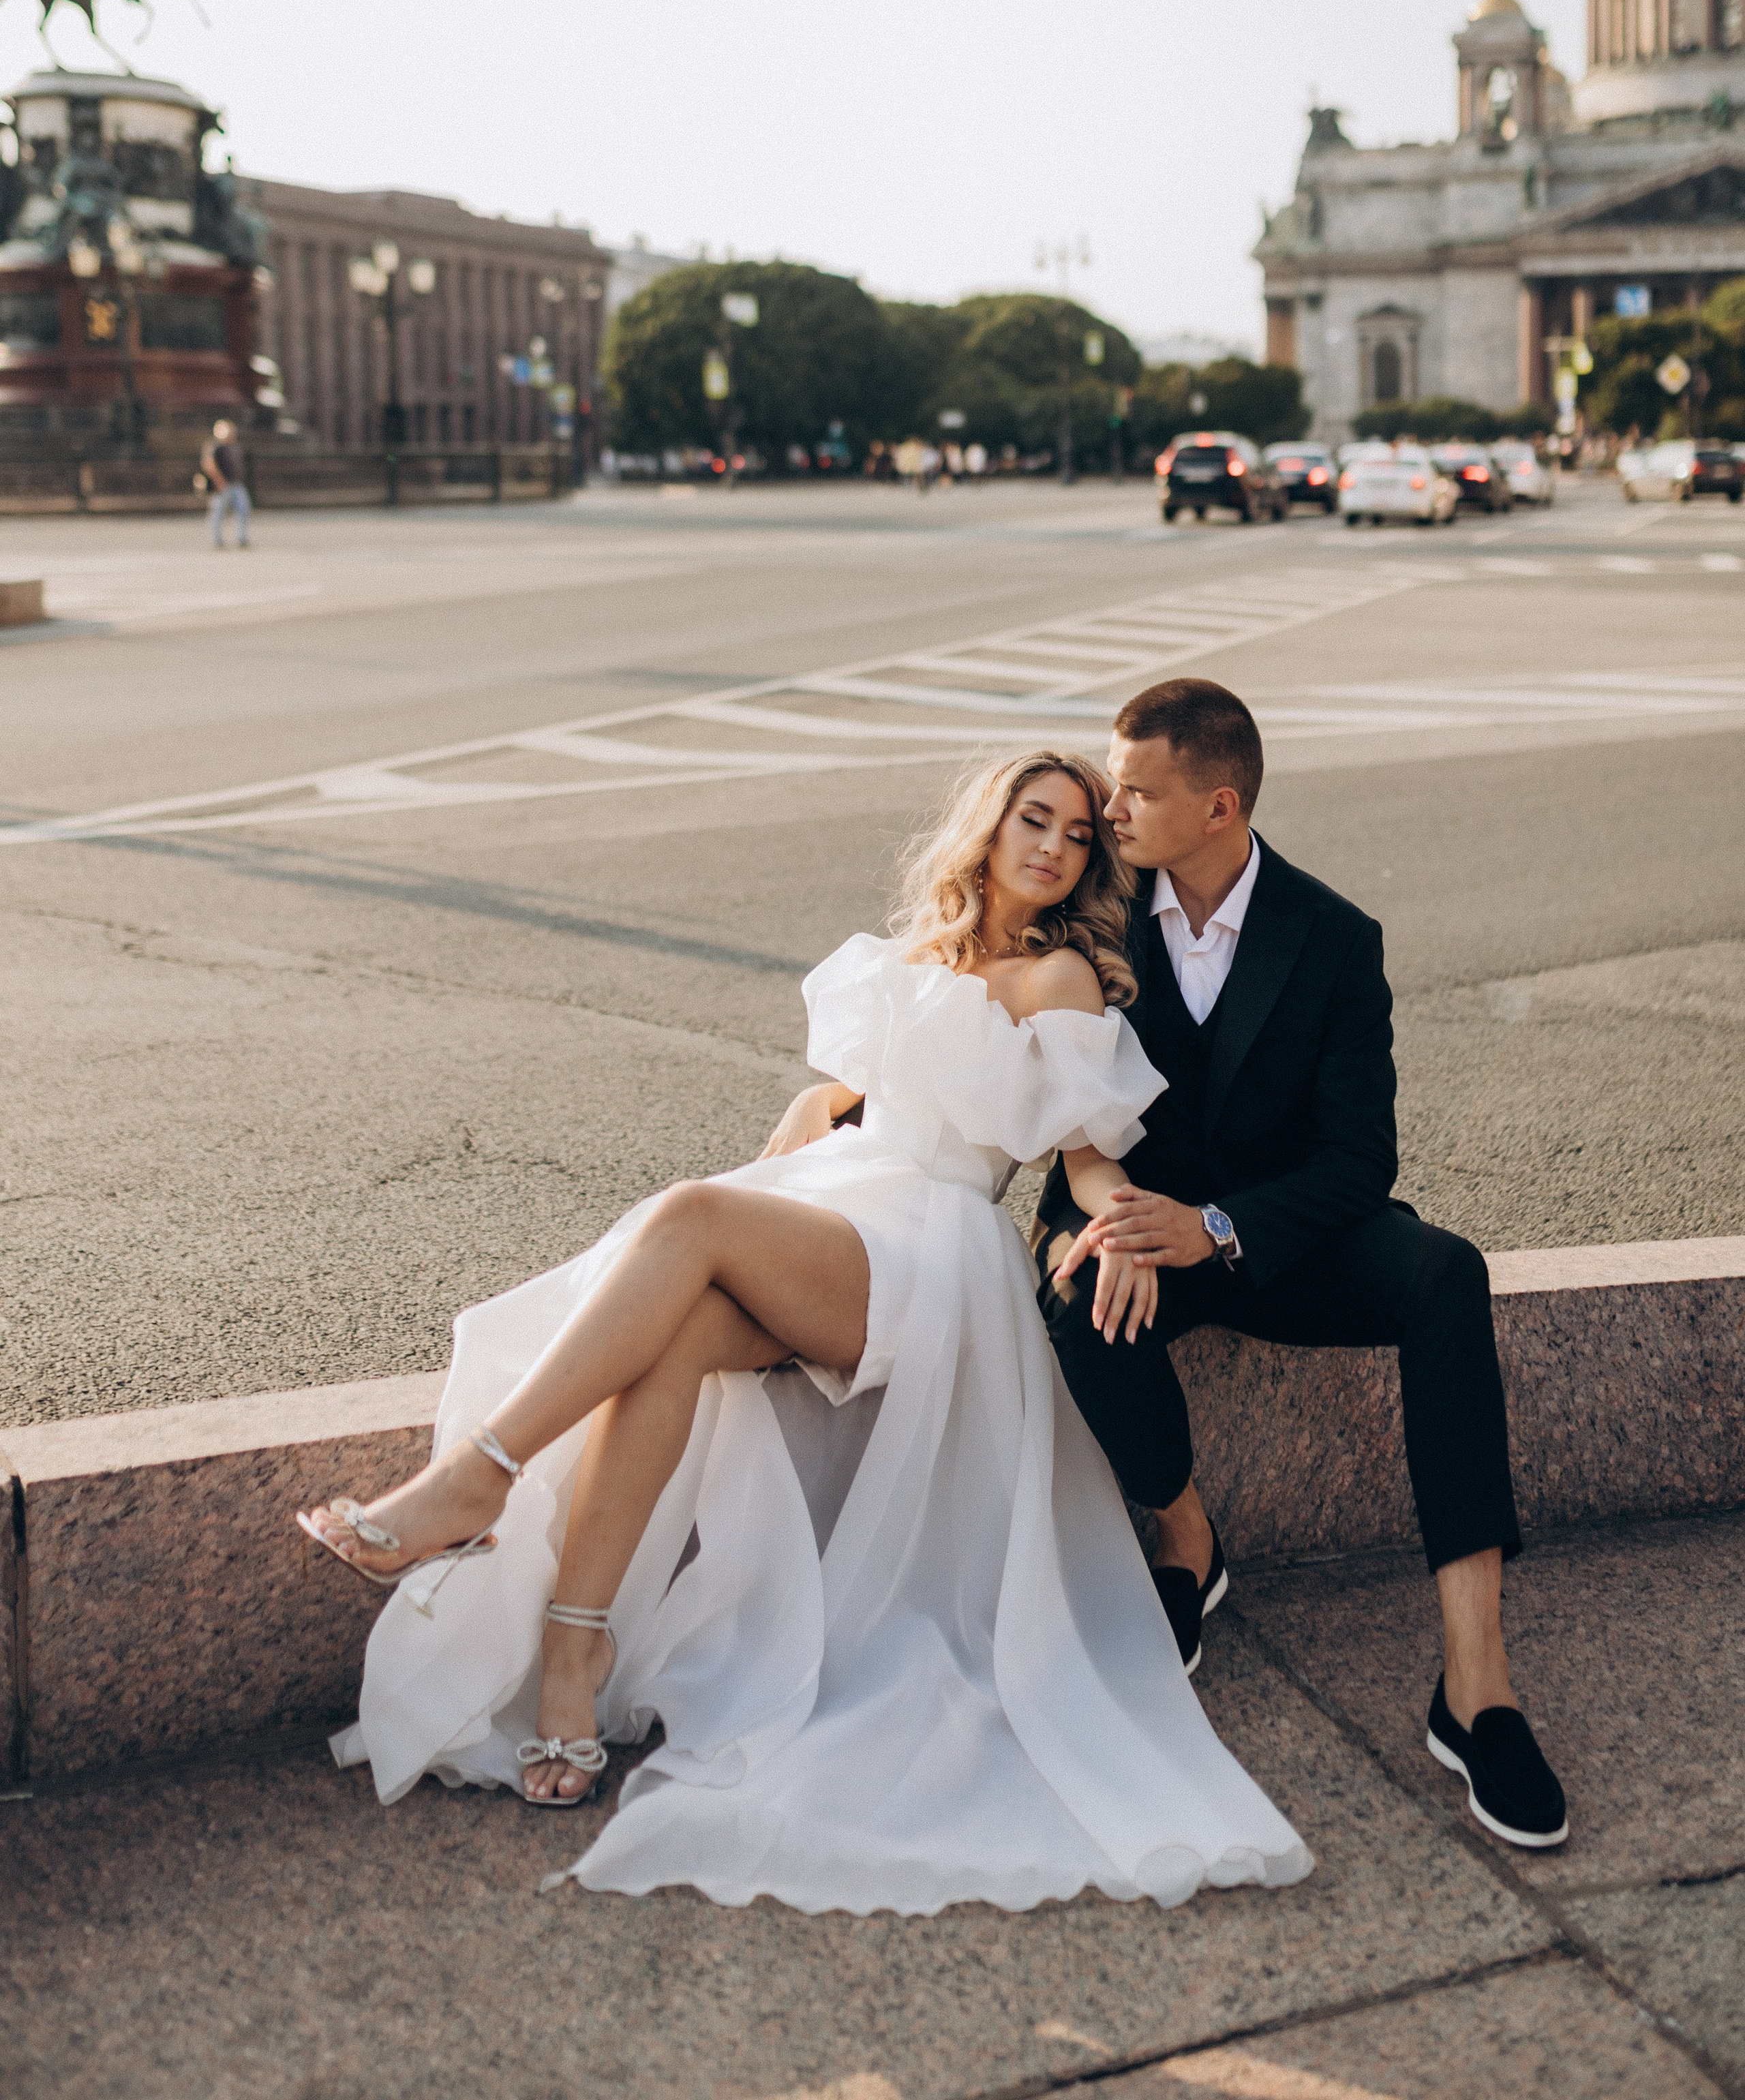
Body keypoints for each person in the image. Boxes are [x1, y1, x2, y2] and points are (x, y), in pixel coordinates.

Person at [299, 750, 1311, 1914]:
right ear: (987, 827)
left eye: (1079, 835)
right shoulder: (904, 962)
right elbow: (821, 1121)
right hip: (835, 1207)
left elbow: (1085, 1153)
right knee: (670, 1335)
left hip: (929, 1247)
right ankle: (575, 1658)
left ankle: (478, 1476)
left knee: (684, 1214)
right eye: (1034, 819)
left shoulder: (1062, 981)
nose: (1054, 846)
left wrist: (1127, 1232)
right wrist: (791, 1159)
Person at [1034, 677, 1569, 1853]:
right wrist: (1129, 1221)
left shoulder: (1334, 939)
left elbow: (1359, 1157)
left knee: (1445, 1271)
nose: (1108, 810)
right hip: (1133, 1229)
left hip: (1283, 1237)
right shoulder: (1093, 910)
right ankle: (1186, 1537)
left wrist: (1218, 1224)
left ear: (1218, 806)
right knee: (1071, 1285)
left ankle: (1476, 1685)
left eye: (1137, 790)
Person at [200, 421, 250, 547]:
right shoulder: (215, 446)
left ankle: (242, 538)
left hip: (236, 484)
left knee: (243, 509)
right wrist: (219, 481)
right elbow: (209, 464)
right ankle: (217, 540)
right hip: (221, 486)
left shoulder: (234, 446)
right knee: (218, 513)